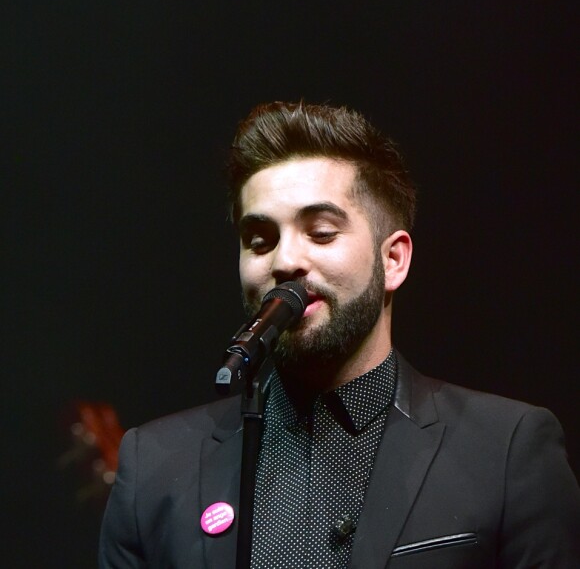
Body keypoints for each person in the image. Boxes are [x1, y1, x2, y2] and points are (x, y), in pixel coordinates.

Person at [99, 101, 580, 568]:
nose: (285, 261)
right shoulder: (155, 468)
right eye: (260, 240)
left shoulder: (505, 451)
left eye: (322, 232)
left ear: (393, 260)